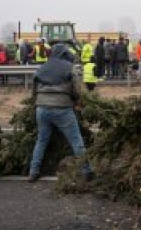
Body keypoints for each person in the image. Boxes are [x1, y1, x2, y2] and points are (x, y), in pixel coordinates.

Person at [29, 43, 94, 182]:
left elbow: (33, 89)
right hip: (62, 108)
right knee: (76, 140)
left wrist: (37, 101)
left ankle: (33, 171)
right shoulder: (69, 67)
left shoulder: (41, 67)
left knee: (41, 140)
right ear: (65, 54)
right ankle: (87, 171)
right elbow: (76, 89)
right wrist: (76, 101)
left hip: (41, 108)